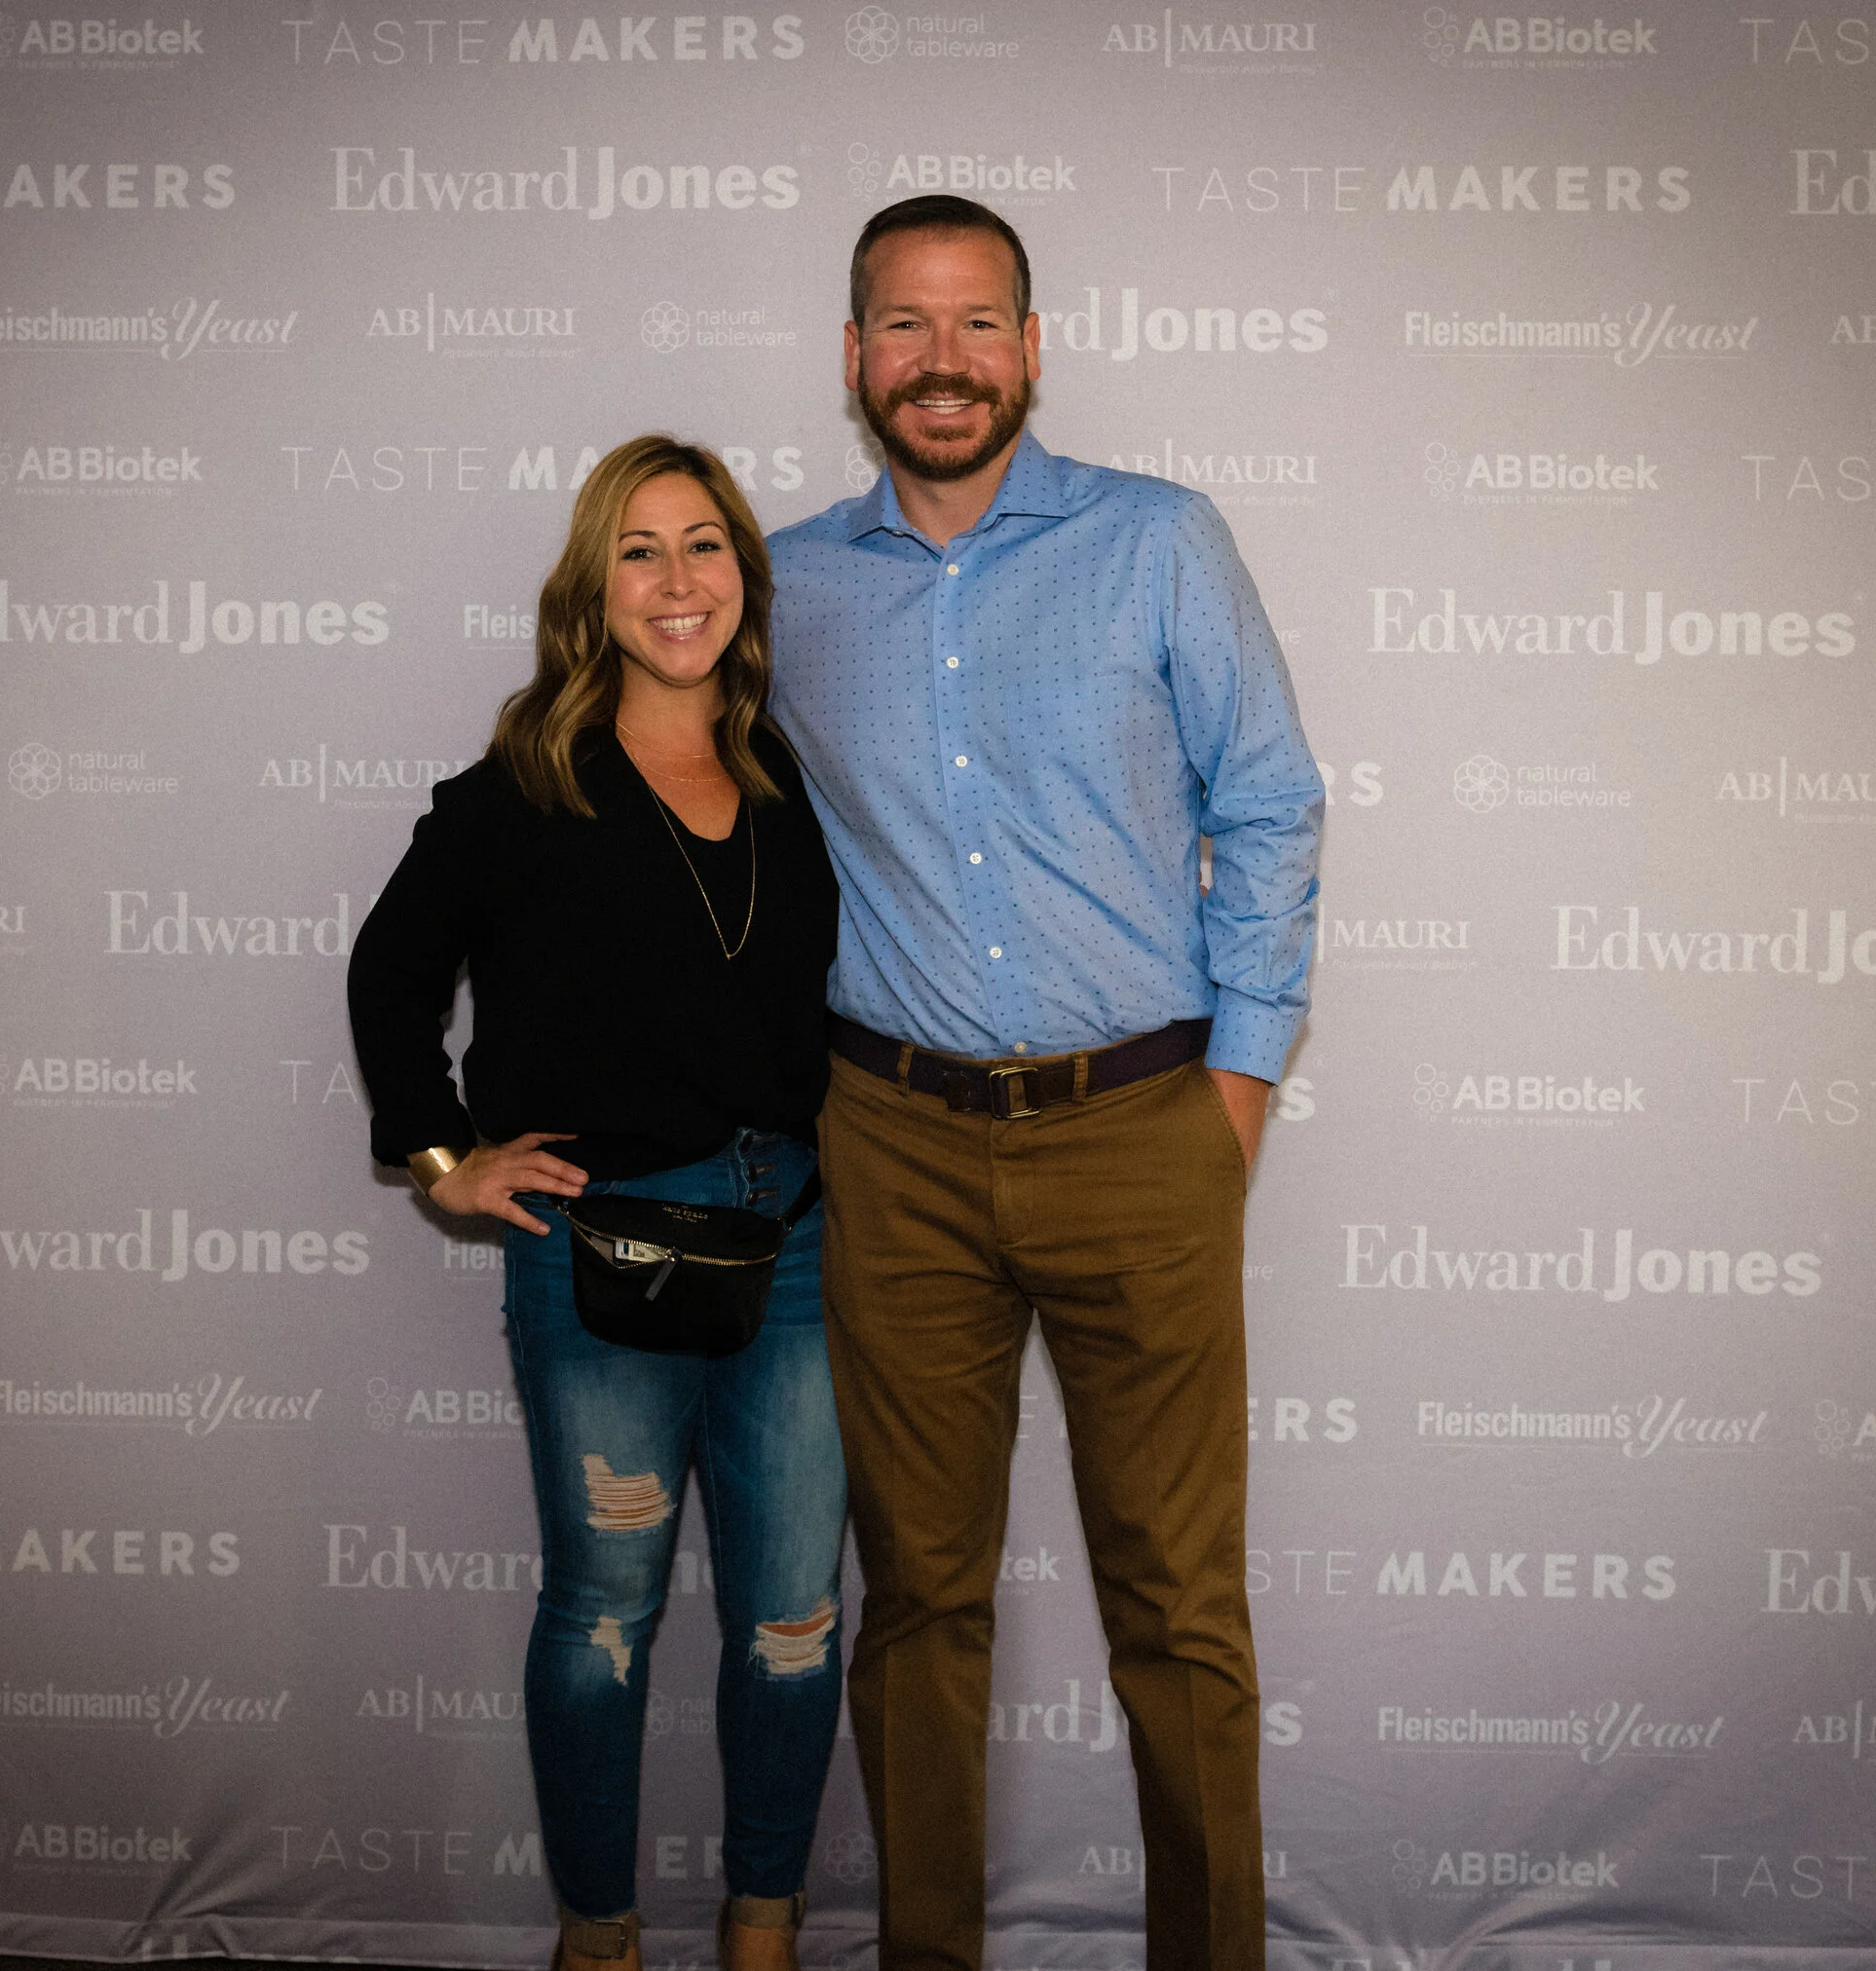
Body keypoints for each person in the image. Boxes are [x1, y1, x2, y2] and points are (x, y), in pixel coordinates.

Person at [766, 196, 1324, 1971]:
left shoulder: (1157, 541)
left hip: (1145, 1131)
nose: (943, 361)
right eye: (905, 324)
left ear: (1031, 345)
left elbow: (1271, 804)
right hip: (895, 1147)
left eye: (978, 322)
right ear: (853, 355)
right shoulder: (780, 587)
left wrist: (1234, 1090)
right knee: (918, 1605)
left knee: (1179, 1608)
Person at [347, 435, 846, 1971]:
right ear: (593, 589)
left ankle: (763, 1931)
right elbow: (389, 975)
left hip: (796, 1247)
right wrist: (446, 1161)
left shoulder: (794, 779)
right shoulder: (522, 789)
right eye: (640, 550)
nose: (677, 581)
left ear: (745, 578)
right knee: (606, 1613)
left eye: (705, 545)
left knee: (794, 1618)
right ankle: (601, 1943)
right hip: (602, 1255)